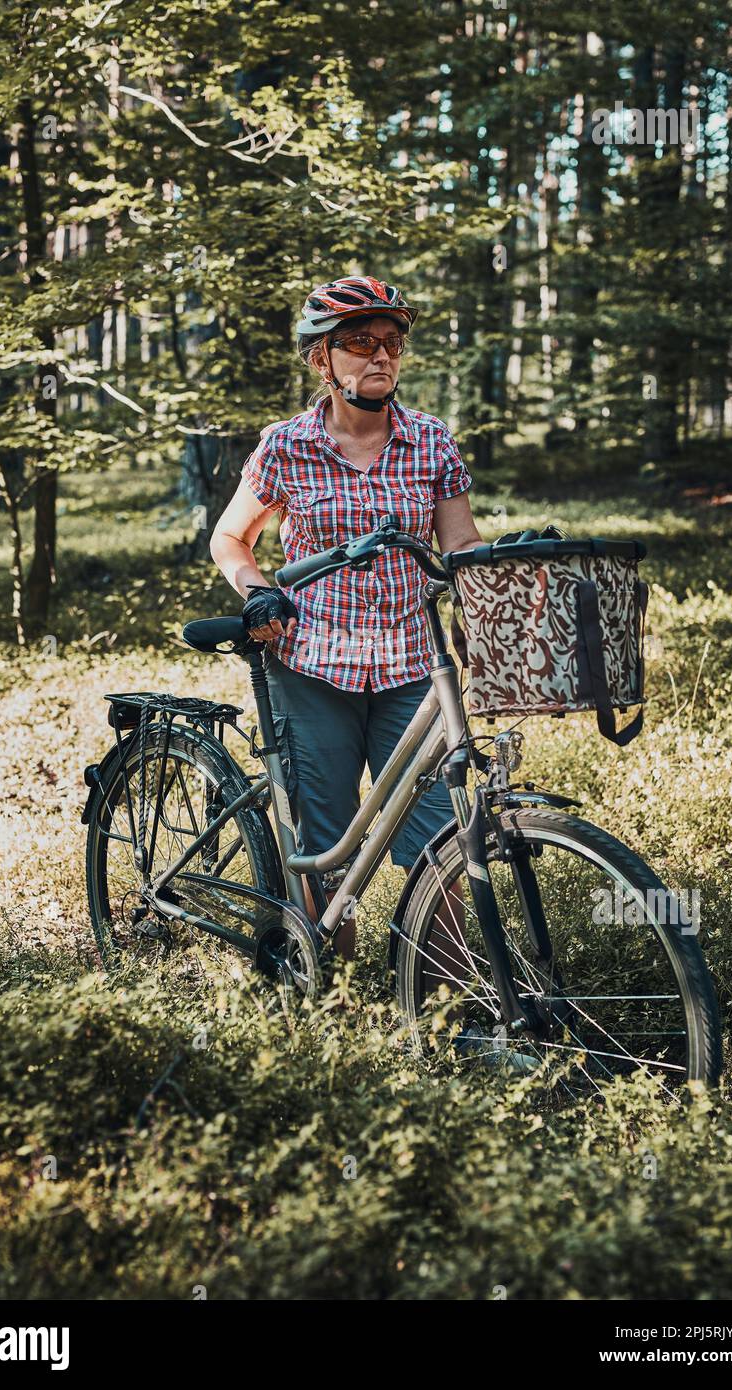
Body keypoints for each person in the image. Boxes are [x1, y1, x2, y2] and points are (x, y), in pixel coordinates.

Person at [210, 275, 483, 960]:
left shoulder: (430, 441)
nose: (379, 356)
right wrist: (256, 591)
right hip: (311, 668)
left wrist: (493, 596)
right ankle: (328, 997)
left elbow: (463, 546)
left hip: (409, 669)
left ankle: (444, 1014)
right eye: (358, 343)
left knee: (438, 851)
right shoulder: (285, 445)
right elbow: (229, 537)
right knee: (326, 853)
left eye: (390, 343)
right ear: (321, 361)